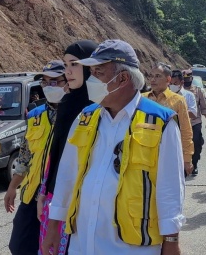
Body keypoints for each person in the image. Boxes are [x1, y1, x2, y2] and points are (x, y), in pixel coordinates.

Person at [42, 39, 185, 255]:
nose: (92, 79)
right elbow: (67, 174)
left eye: (99, 73)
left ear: (123, 78)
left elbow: (170, 188)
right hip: (84, 243)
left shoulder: (160, 121)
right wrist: (53, 226)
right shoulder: (86, 117)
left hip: (133, 247)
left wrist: (172, 240)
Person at [36, 40, 98, 255]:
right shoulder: (68, 103)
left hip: (87, 200)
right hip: (58, 197)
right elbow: (57, 152)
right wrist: (44, 191)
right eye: (65, 64)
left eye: (74, 64)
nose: (68, 71)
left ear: (92, 67)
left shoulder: (100, 108)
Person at [6, 60, 67, 255]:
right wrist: (12, 187)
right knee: (19, 246)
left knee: (54, 249)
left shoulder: (77, 115)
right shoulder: (35, 115)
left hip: (57, 198)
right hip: (32, 195)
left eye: (55, 81)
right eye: (46, 82)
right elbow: (25, 156)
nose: (50, 87)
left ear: (68, 82)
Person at [142, 63, 195, 176]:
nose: (153, 79)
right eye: (151, 76)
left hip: (169, 153)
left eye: (157, 76)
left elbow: (186, 130)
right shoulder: (142, 99)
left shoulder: (178, 101)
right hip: (143, 153)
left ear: (168, 79)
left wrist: (187, 159)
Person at [181, 69, 206, 176]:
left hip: (195, 122)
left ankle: (194, 164)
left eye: (188, 78)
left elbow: (204, 107)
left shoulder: (198, 91)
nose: (186, 81)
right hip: (181, 123)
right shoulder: (178, 91)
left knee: (196, 143)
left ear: (191, 78)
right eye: (184, 79)